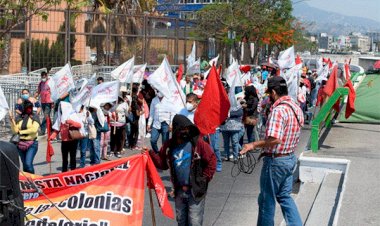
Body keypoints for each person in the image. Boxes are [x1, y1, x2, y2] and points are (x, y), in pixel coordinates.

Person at [240, 76, 304, 226]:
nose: (269, 97)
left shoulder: (279, 110)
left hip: (276, 162)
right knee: (284, 196)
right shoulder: (295, 107)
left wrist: (253, 145)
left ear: (274, 92)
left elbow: (275, 139)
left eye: (269, 94)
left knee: (266, 201)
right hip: (289, 158)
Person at [146, 114, 216, 226]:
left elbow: (212, 160)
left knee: (195, 222)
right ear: (176, 130)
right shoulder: (169, 145)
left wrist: (204, 178)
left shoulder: (198, 143)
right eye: (182, 129)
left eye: (187, 129)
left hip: (196, 190)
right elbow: (162, 164)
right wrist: (150, 153)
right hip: (179, 191)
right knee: (181, 221)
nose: (185, 131)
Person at [50, 102, 83, 172]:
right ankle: (64, 172)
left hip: (73, 140)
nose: (61, 110)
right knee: (64, 158)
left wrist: (71, 122)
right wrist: (52, 137)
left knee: (72, 157)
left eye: (62, 108)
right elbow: (57, 129)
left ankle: (73, 172)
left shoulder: (73, 115)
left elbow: (79, 125)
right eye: (60, 109)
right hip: (64, 141)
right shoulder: (60, 118)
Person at [10, 100, 40, 174]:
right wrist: (12, 122)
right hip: (20, 144)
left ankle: (33, 180)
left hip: (32, 143)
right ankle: (27, 182)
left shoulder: (34, 116)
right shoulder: (19, 117)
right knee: (24, 165)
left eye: (30, 107)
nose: (29, 109)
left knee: (28, 164)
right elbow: (15, 131)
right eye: (27, 108)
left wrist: (20, 132)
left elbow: (34, 130)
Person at [220, 98, 244, 163]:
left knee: (235, 142)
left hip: (234, 127)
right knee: (226, 142)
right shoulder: (222, 104)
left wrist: (228, 114)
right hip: (225, 127)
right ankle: (226, 156)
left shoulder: (237, 104)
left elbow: (240, 112)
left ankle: (235, 157)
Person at [34, 71, 53, 135]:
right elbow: (38, 91)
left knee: (46, 115)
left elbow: (53, 91)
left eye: (44, 76)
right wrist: (34, 96)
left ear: (47, 76)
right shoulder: (41, 83)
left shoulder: (50, 82)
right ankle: (51, 129)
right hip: (43, 101)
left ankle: (42, 130)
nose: (43, 78)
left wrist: (53, 101)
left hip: (49, 101)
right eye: (42, 77)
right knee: (47, 116)